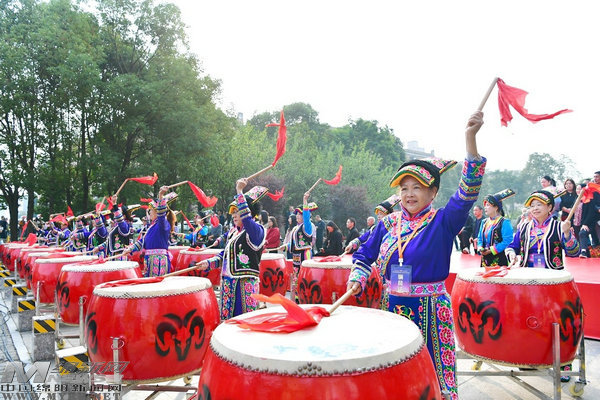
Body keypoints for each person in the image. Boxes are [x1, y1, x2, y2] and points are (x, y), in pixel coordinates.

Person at [347, 111, 486, 399]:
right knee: (395, 373)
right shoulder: (388, 223)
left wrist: (470, 139)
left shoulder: (443, 221)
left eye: (417, 188)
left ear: (433, 192)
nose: (409, 194)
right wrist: (357, 277)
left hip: (431, 310)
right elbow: (365, 253)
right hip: (392, 308)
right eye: (404, 188)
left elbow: (467, 192)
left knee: (433, 376)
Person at [196, 181, 267, 320]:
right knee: (227, 322)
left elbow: (247, 220)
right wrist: (208, 263)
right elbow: (225, 255)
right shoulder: (234, 233)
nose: (234, 215)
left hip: (244, 284)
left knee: (244, 322)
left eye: (237, 211)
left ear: (248, 211)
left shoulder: (257, 231)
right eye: (233, 212)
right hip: (228, 284)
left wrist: (240, 192)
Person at [506, 190, 579, 268]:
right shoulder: (524, 227)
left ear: (549, 207)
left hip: (552, 272)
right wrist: (511, 254)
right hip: (527, 271)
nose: (535, 208)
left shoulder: (560, 227)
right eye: (532, 206)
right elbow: (512, 247)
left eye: (539, 204)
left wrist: (567, 234)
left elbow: (574, 253)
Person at [124, 187, 177, 276]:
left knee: (156, 284)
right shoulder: (152, 226)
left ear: (157, 211)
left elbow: (161, 213)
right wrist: (130, 249)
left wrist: (160, 195)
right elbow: (143, 241)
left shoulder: (163, 223)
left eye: (151, 210)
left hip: (158, 261)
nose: (150, 213)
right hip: (149, 260)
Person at [285, 194, 316, 298]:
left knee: (304, 276)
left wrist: (305, 200)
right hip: (296, 256)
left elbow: (307, 216)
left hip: (304, 254)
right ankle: (297, 298)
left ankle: (304, 297)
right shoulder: (296, 228)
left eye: (300, 214)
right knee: (296, 277)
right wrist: (286, 246)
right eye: (297, 214)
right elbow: (294, 243)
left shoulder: (307, 227)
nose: (297, 216)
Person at [477, 189, 515, 267]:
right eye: (485, 205)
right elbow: (480, 238)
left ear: (496, 207)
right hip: (485, 260)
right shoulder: (484, 222)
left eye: (488, 205)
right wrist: (480, 247)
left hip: (499, 259)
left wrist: (491, 250)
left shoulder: (504, 222)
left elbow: (507, 241)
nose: (485, 208)